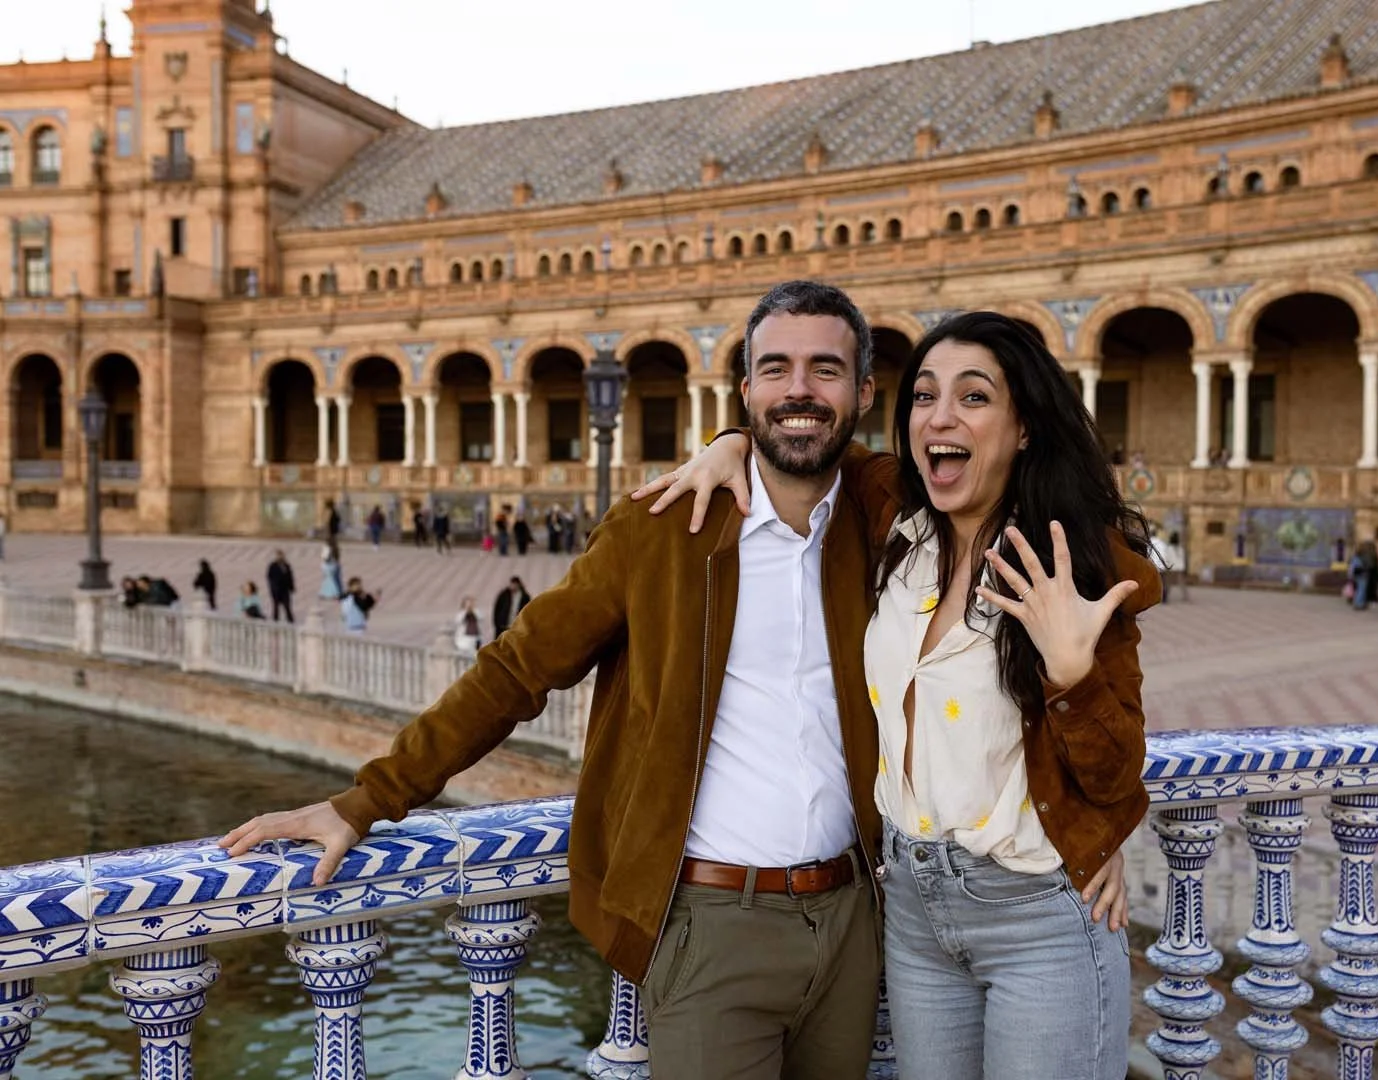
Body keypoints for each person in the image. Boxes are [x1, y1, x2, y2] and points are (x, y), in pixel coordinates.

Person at [222, 281, 903, 1080]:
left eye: (826, 370)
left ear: (864, 392)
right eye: (776, 369)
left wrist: (729, 441)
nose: (799, 390)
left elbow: (957, 463)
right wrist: (366, 800)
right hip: (714, 925)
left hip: (851, 919)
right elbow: (517, 670)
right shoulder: (657, 532)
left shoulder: (879, 520)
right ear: (746, 387)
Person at [645, 311, 1151, 1080]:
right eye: (923, 396)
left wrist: (1073, 677)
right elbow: (809, 437)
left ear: (1024, 428)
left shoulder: (1068, 569)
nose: (940, 417)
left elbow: (1116, 771)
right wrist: (732, 443)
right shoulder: (898, 519)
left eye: (974, 397)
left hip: (1037, 917)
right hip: (913, 912)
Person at [266, 550, 296, 622]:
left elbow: (290, 577)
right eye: (279, 556)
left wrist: (292, 587)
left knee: (287, 605)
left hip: (285, 589)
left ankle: (290, 620)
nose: (280, 557)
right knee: (276, 606)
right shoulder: (273, 566)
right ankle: (275, 620)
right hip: (276, 589)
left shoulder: (286, 565)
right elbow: (269, 577)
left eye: (281, 555)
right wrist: (273, 586)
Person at [1351, 540, 1378, 610]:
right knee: (1362, 589)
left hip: (1357, 573)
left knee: (1359, 588)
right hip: (1363, 573)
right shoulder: (1366, 555)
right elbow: (1370, 565)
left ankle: (1359, 603)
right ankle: (1359, 604)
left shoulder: (1357, 554)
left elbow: (1353, 565)